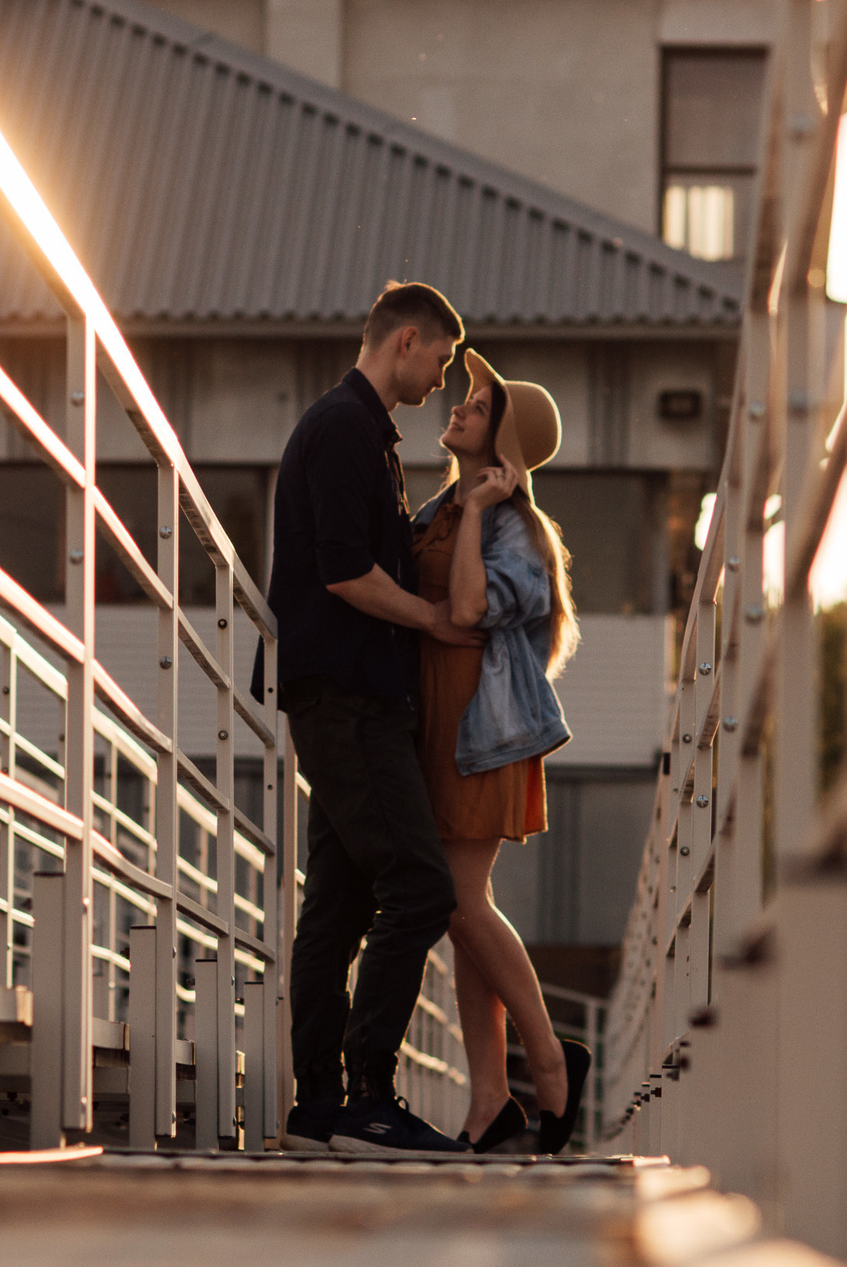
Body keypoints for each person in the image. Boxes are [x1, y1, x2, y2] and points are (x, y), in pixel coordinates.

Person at [259, 281, 480, 1153]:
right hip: (347, 697)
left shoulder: (361, 434)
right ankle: (366, 1100)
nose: (442, 380)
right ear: (406, 341)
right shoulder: (346, 430)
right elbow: (346, 573)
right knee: (421, 889)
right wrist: (435, 622)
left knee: (339, 911)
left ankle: (320, 1111)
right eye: (441, 360)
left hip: (344, 695)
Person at [408, 350, 594, 1154]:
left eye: (476, 405)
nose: (458, 407)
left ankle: (551, 1062)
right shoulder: (440, 509)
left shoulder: (515, 527)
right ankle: (489, 1100)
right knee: (458, 913)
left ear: (502, 449)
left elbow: (472, 607)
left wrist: (484, 511)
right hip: (441, 726)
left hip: (485, 730)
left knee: (459, 899)